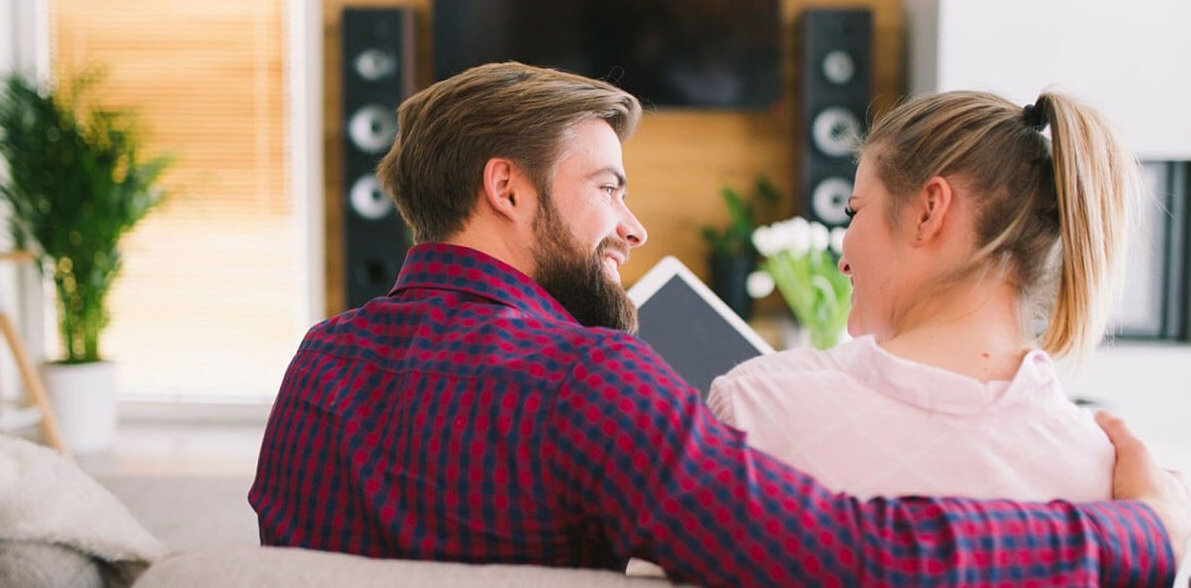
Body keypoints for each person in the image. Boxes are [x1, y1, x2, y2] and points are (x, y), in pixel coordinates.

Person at [250, 64, 1186, 586]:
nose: (633, 227)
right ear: (508, 188)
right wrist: (1138, 534)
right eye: (608, 188)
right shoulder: (594, 382)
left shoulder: (317, 364)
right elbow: (858, 556)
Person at [706, 91, 1151, 502]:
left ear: (929, 211)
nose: (843, 261)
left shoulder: (755, 406)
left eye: (854, 210)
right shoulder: (1105, 475)